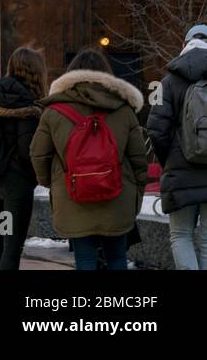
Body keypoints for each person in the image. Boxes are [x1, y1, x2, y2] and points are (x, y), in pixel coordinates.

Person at [31, 48, 148, 271]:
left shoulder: (53, 112)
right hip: (118, 197)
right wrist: (136, 191)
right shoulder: (124, 110)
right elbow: (139, 158)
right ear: (107, 74)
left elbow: (38, 154)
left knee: (84, 261)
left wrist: (52, 182)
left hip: (72, 196)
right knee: (116, 259)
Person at [0, 47, 46, 270]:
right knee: (12, 246)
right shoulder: (27, 104)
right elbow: (28, 150)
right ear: (34, 71)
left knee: (2, 241)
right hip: (15, 185)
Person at [148, 25, 207, 269]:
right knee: (206, 239)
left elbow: (155, 129)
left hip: (180, 171)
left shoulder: (165, 82)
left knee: (180, 234)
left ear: (185, 44)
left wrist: (169, 160)